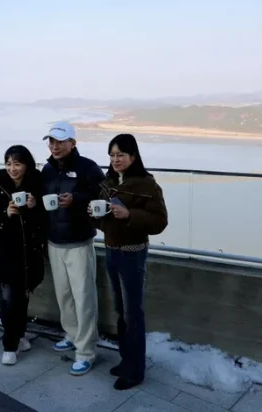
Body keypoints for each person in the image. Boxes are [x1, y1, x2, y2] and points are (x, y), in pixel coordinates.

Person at [89, 133, 168, 391]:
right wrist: (93, 214)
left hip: (133, 253)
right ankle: (126, 361)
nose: (115, 160)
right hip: (111, 250)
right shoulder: (108, 181)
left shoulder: (146, 185)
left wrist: (129, 214)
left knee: (134, 313)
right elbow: (100, 220)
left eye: (120, 155)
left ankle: (135, 371)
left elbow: (159, 221)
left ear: (133, 156)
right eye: (112, 155)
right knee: (121, 311)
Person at [41, 121, 106, 376]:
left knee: (84, 298)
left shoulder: (88, 168)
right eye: (51, 141)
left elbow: (103, 196)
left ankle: (86, 351)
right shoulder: (46, 169)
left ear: (73, 143)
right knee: (64, 295)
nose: (54, 146)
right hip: (54, 241)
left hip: (79, 242)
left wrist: (77, 200)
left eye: (59, 141)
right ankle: (71, 334)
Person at [0, 145, 46, 365]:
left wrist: (35, 205)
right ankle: (9, 345)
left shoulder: (36, 185)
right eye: (8, 163)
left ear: (27, 164)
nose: (12, 169)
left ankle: (20, 335)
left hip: (27, 251)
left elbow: (44, 217)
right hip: (4, 250)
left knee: (23, 295)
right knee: (7, 299)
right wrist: (3, 213)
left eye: (17, 164)